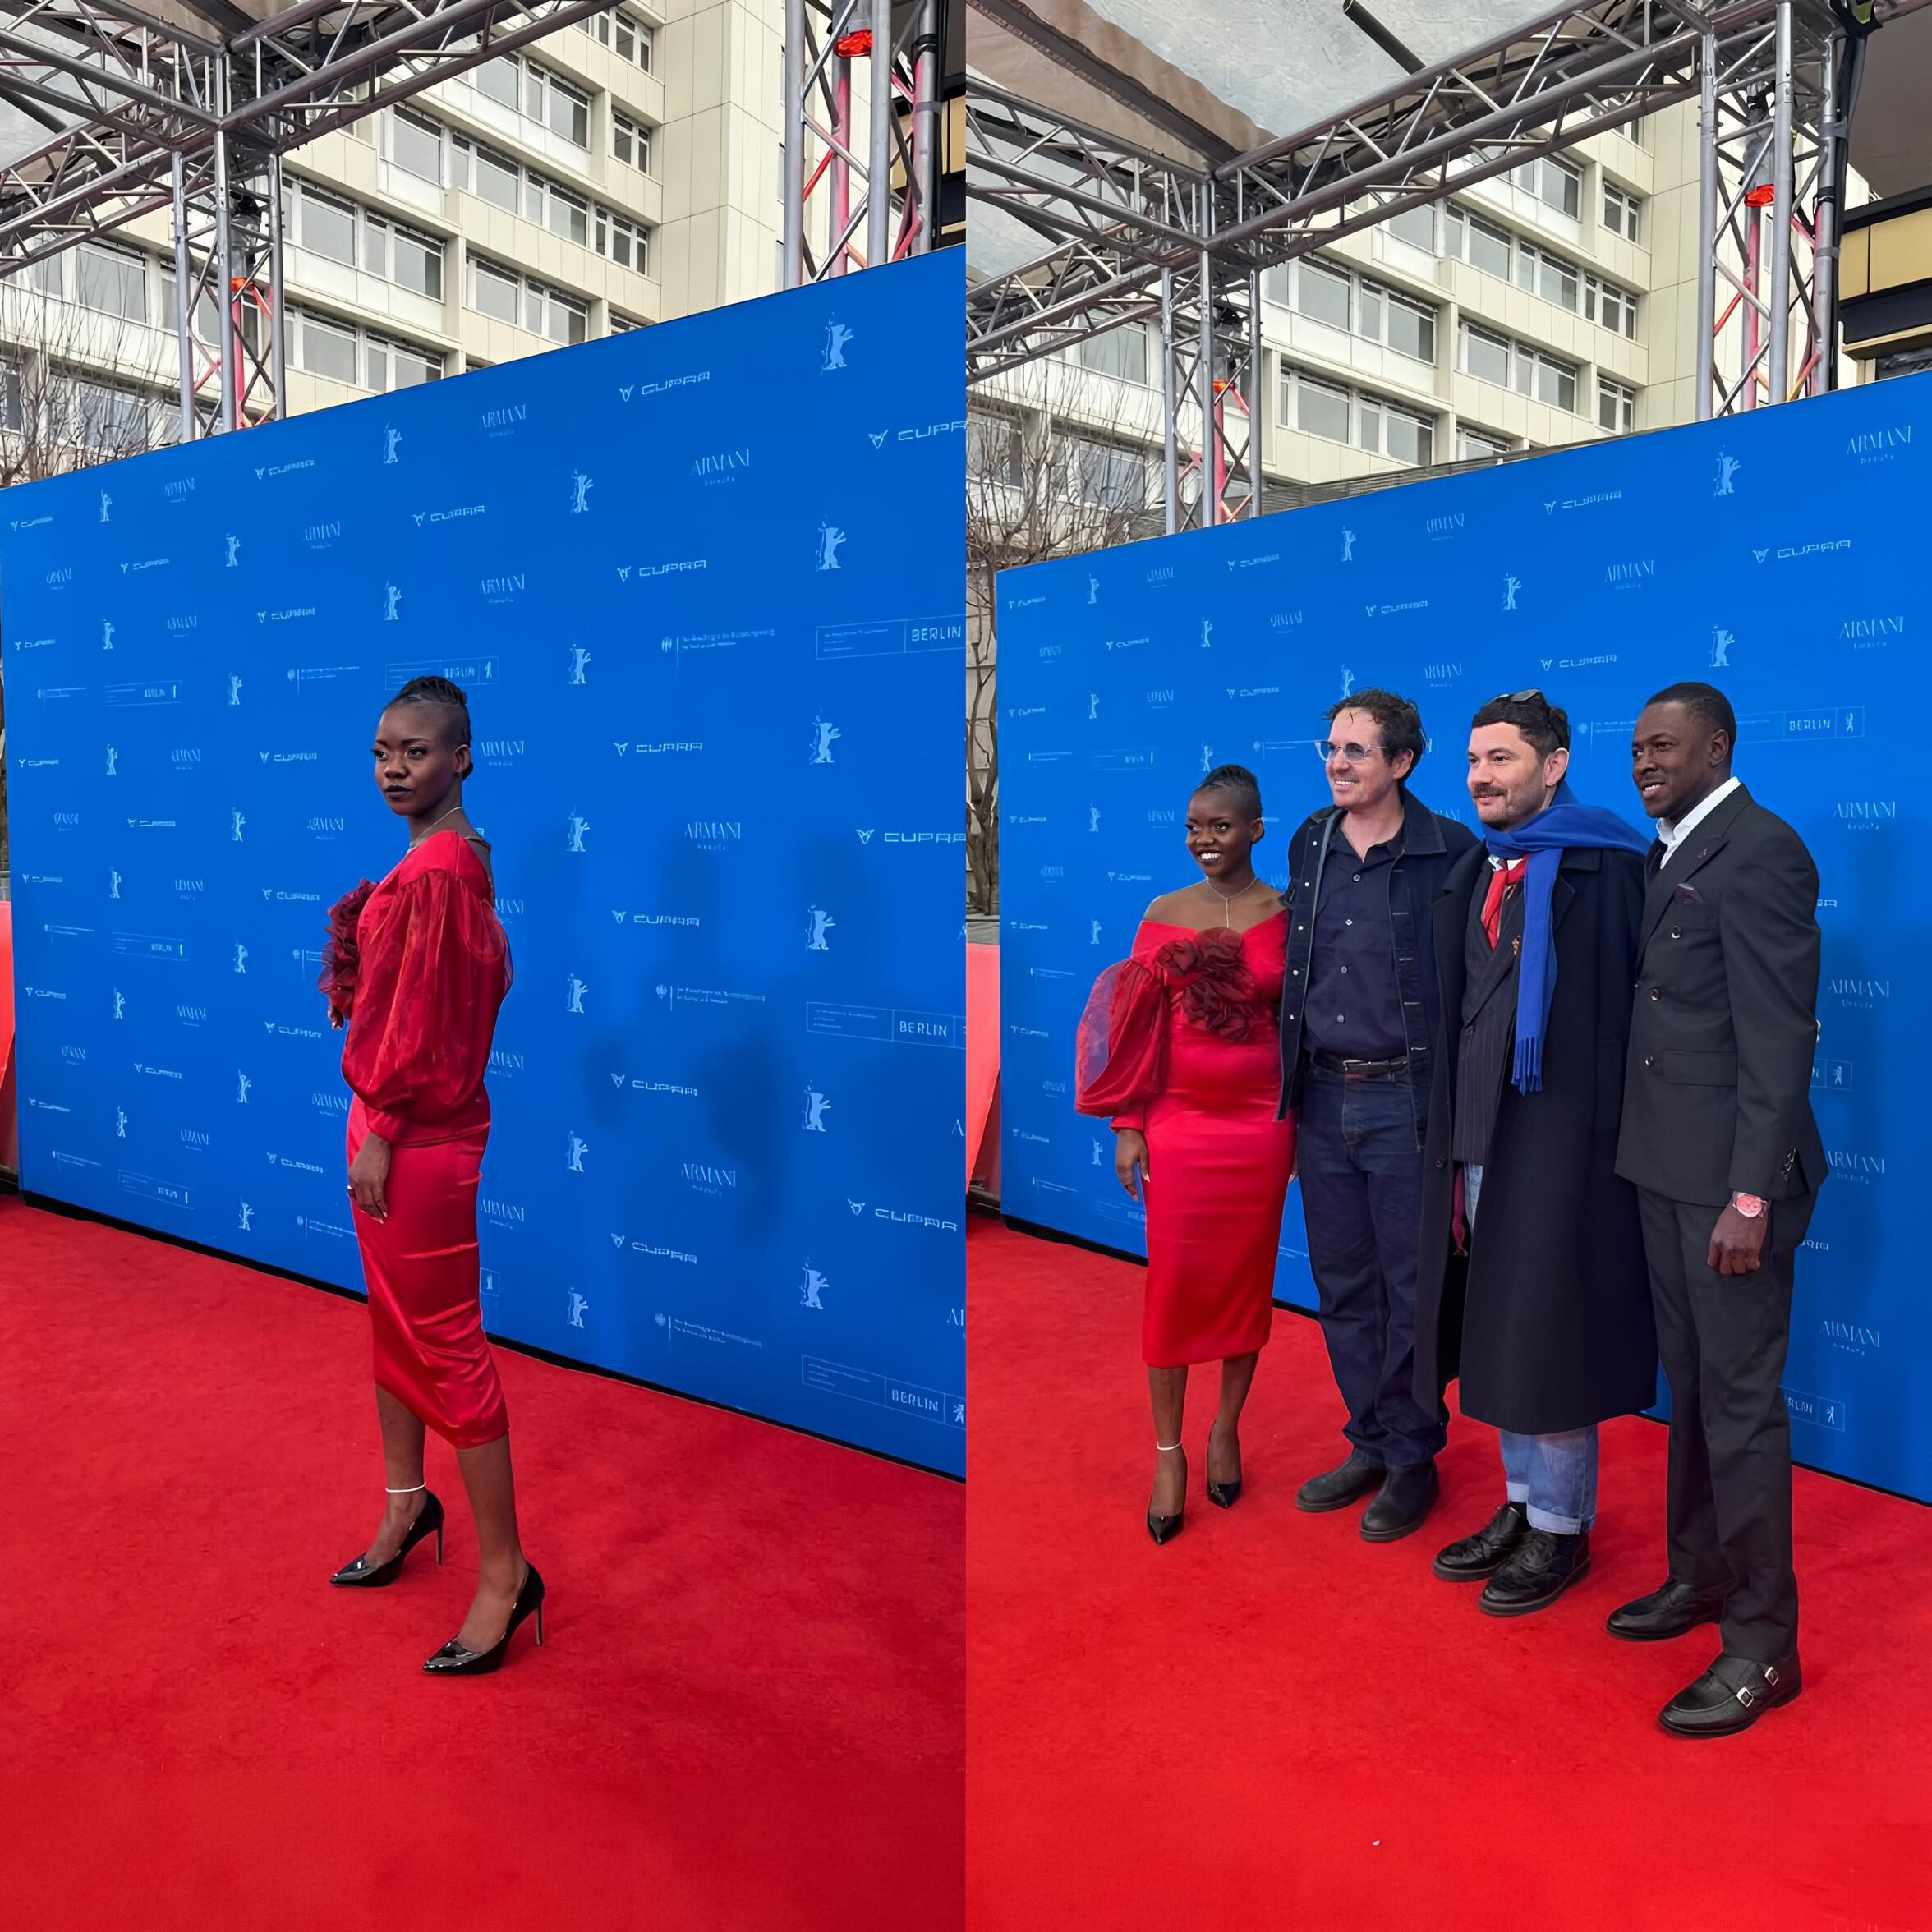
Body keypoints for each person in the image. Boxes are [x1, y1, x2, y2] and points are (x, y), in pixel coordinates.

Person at [320, 675, 545, 1675]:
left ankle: (506, 1575)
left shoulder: (446, 870)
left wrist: (385, 1129)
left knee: (447, 1347)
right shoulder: (442, 858)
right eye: (381, 752)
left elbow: (434, 1035)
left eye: (415, 751)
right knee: (393, 1326)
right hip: (388, 1120)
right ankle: (407, 1508)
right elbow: (407, 995)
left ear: (462, 757)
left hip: (414, 1135)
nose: (393, 769)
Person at [1613, 682, 1826, 1737]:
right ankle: (1697, 1578)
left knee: (1740, 1412)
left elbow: (1781, 1042)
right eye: (1637, 746)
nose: (1645, 760)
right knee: (1691, 1394)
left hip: (1730, 1192)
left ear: (1718, 746)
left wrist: (1750, 1194)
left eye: (1665, 745)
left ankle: (1763, 1644)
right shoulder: (1671, 851)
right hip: (1664, 1173)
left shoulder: (1761, 851)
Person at [1414, 691, 1655, 1616]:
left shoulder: (1610, 867)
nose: (1482, 777)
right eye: (1475, 761)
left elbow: (1640, 1022)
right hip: (1475, 1135)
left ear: (1553, 766)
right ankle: (1520, 1506)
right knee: (1502, 1324)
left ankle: (1561, 1528)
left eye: (1503, 760)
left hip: (1565, 1145)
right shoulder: (1479, 867)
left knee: (1549, 1330)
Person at [1075, 765, 1297, 1545]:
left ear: (1256, 831)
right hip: (1179, 1122)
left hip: (1262, 1125)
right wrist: (1128, 1125)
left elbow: (1303, 1025)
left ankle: (1225, 1430)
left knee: (1245, 1283)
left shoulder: (1288, 912)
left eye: (1222, 827)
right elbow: (1135, 1028)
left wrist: (1297, 1116)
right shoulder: (1163, 913)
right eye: (1195, 827)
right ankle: (1168, 1454)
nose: (1205, 840)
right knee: (1174, 1288)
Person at [1277, 690, 1476, 1541]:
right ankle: (1369, 1435)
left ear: (1402, 763)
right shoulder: (1311, 839)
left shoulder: (1451, 852)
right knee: (1344, 1286)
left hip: (1406, 1097)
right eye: (1331, 746)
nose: (1337, 762)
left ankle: (1411, 1457)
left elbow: (1475, 991)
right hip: (1321, 1094)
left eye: (1357, 750)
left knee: (1411, 1286)